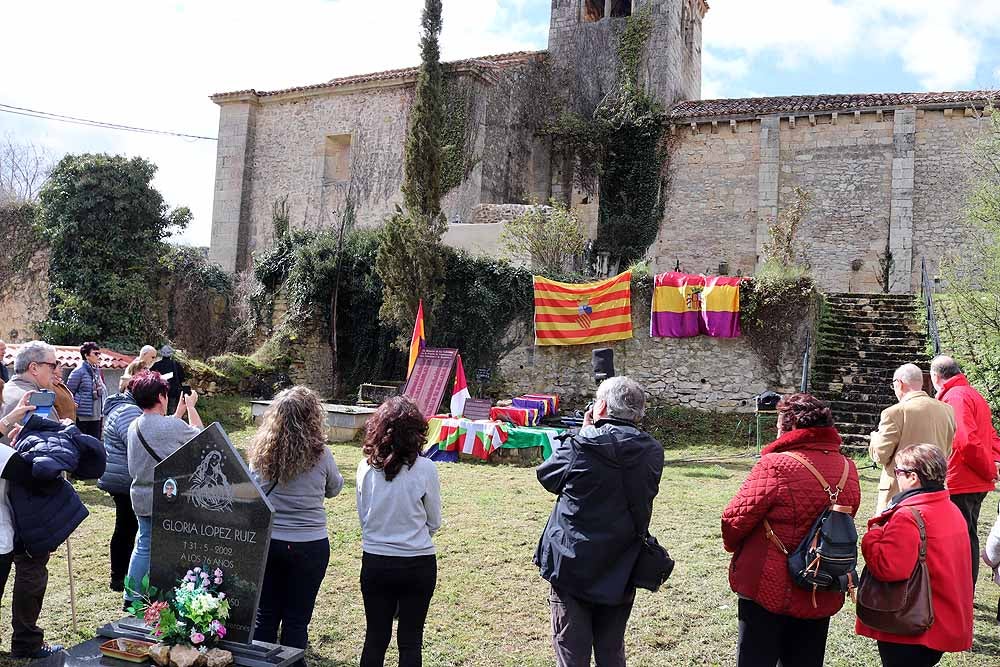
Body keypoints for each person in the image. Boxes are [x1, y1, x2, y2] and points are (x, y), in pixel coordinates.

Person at [722, 393, 861, 667]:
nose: (776, 430)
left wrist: (732, 545)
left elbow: (734, 519)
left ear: (791, 426)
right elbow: (847, 515)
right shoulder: (848, 467)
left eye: (778, 424)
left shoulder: (776, 465)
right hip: (821, 577)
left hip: (768, 582)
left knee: (755, 658)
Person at [535, 376, 664, 667]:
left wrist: (585, 432)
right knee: (611, 650)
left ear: (601, 407)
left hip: (572, 561)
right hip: (622, 561)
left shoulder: (581, 443)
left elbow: (547, 477)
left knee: (571, 650)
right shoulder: (653, 451)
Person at [248, 386, 344, 666]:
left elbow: (254, 492)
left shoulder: (260, 453)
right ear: (312, 416)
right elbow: (335, 488)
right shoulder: (322, 454)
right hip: (310, 545)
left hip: (270, 543)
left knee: (265, 615)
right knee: (297, 620)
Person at [856, 443, 973, 666]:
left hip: (910, 625)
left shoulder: (908, 516)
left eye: (898, 471)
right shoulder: (951, 509)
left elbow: (887, 568)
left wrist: (873, 534)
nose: (895, 475)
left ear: (912, 477)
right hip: (940, 620)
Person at [357, 396, 441, 667]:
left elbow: (364, 516)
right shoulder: (426, 469)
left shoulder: (365, 467)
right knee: (411, 640)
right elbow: (434, 521)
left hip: (376, 561)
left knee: (375, 638)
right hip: (417, 563)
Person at [0, 342, 66, 659]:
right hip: (24, 500)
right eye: (53, 365)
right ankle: (26, 642)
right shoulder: (25, 399)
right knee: (31, 568)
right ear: (34, 367)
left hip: (14, 499)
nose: (58, 370)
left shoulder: (22, 394)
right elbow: (46, 456)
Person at [124, 370, 203, 602]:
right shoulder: (170, 427)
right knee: (172, 548)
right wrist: (191, 408)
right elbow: (202, 437)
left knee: (143, 545)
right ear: (161, 396)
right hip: (167, 499)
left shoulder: (134, 425)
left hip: (141, 495)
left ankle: (132, 597)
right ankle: (168, 595)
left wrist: (178, 413)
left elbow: (161, 435)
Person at [930, 355, 1000, 588]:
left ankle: (961, 592)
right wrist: (992, 463)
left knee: (960, 539)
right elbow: (989, 435)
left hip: (962, 479)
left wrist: (989, 469)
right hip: (972, 478)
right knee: (967, 536)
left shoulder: (955, 397)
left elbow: (966, 441)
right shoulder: (971, 394)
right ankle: (963, 590)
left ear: (936, 377)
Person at [869, 363, 955, 514]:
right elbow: (948, 450)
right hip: (935, 489)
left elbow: (881, 455)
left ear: (899, 383)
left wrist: (874, 439)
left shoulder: (894, 412)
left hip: (900, 490)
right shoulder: (947, 410)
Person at [99, 380, 143, 592]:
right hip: (124, 477)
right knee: (126, 528)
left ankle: (120, 574)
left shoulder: (123, 407)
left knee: (126, 526)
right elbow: (136, 444)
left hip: (119, 474)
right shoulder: (129, 411)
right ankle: (119, 576)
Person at [66, 342, 107, 440]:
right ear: (86, 355)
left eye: (99, 354)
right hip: (82, 416)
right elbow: (69, 392)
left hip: (96, 414)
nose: (98, 356)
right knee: (83, 442)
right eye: (95, 353)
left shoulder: (96, 371)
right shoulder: (79, 371)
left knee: (95, 442)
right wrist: (74, 404)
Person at [150, 345, 186, 415]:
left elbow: (150, 378)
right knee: (171, 413)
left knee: (159, 411)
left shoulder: (156, 365)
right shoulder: (176, 365)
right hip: (173, 392)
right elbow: (182, 378)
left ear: (161, 354)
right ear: (171, 354)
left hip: (159, 392)